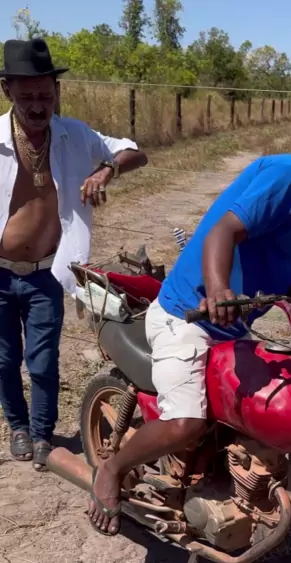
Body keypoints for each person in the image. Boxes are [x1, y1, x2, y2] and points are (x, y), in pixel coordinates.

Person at [88, 134, 291, 535]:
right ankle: (112, 469)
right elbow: (222, 231)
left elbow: (279, 285)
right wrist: (218, 289)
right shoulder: (290, 177)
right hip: (187, 317)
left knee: (286, 399)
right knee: (185, 423)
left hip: (229, 326)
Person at [0, 38, 147, 470]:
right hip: (0, 274)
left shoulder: (76, 136)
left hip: (47, 272)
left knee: (43, 360)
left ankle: (42, 434)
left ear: (57, 91)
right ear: (7, 90)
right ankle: (18, 427)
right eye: (27, 96)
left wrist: (107, 169)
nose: (37, 106)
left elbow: (135, 152)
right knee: (4, 359)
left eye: (45, 96)